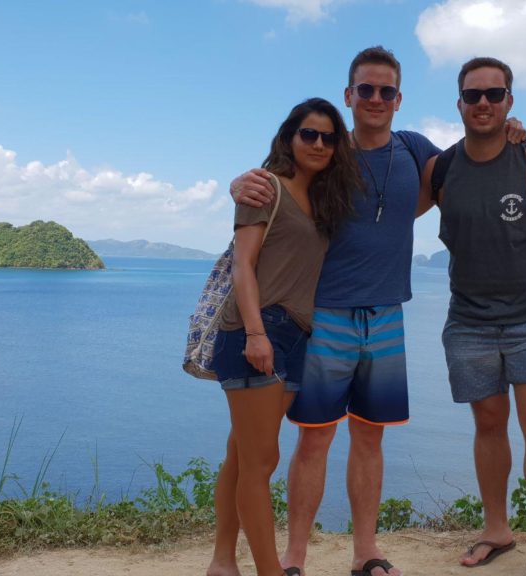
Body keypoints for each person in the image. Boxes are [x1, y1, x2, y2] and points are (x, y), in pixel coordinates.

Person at [228, 46, 524, 576]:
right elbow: (274, 185)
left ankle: (366, 551)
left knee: (370, 436)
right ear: (349, 95)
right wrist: (240, 183)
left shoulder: (414, 151)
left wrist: (509, 131)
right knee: (313, 438)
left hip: (387, 315)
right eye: (365, 89)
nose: (376, 99)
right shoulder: (325, 154)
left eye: (386, 91)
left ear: (399, 98)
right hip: (325, 316)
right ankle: (295, 555)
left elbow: (473, 159)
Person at [419, 57, 526, 576]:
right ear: (459, 103)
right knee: (488, 423)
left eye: (494, 94)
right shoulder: (438, 168)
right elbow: (385, 207)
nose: (482, 103)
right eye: (472, 95)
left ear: (510, 100)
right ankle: (497, 529)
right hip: (468, 320)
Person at [206, 97, 361, 576]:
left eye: (328, 137)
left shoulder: (320, 200)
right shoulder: (264, 188)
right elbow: (242, 265)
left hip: (294, 335)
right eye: (308, 134)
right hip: (258, 332)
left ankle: (222, 562)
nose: (318, 143)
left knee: (241, 455)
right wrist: (255, 334)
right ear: (290, 137)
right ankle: (270, 571)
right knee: (262, 460)